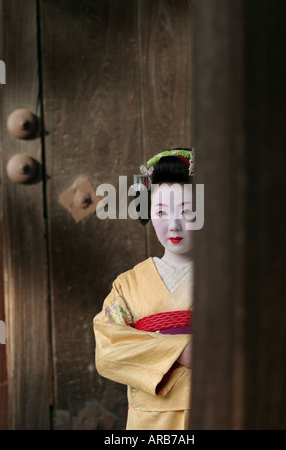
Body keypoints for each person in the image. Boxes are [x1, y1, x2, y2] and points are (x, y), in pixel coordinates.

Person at [93, 148, 195, 430]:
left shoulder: (230, 277)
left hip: (217, 400)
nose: (173, 224)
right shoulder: (127, 284)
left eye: (187, 210)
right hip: (151, 415)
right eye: (161, 211)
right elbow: (108, 350)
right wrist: (178, 350)